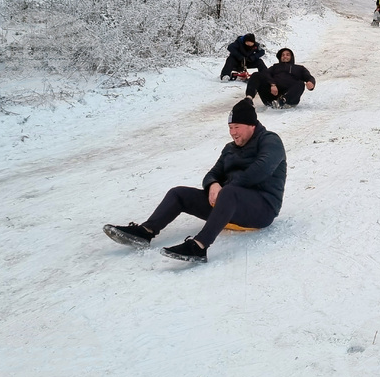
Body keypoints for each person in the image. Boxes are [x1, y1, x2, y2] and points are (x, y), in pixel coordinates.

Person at [103, 100, 286, 264]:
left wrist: (225, 189)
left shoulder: (270, 141)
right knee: (178, 193)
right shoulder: (229, 149)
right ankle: (145, 232)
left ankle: (199, 247)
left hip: (262, 208)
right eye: (230, 127)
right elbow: (212, 173)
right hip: (229, 205)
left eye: (236, 127)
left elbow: (261, 170)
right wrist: (213, 184)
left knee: (229, 192)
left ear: (251, 125)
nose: (232, 133)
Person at [245, 48, 316, 108]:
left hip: (290, 99)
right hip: (272, 97)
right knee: (256, 75)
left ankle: (283, 101)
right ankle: (248, 99)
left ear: (292, 57)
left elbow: (309, 77)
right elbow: (266, 74)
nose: (285, 56)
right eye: (283, 55)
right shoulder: (275, 67)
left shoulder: (299, 68)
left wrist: (311, 82)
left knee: (300, 83)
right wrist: (272, 84)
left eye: (287, 55)